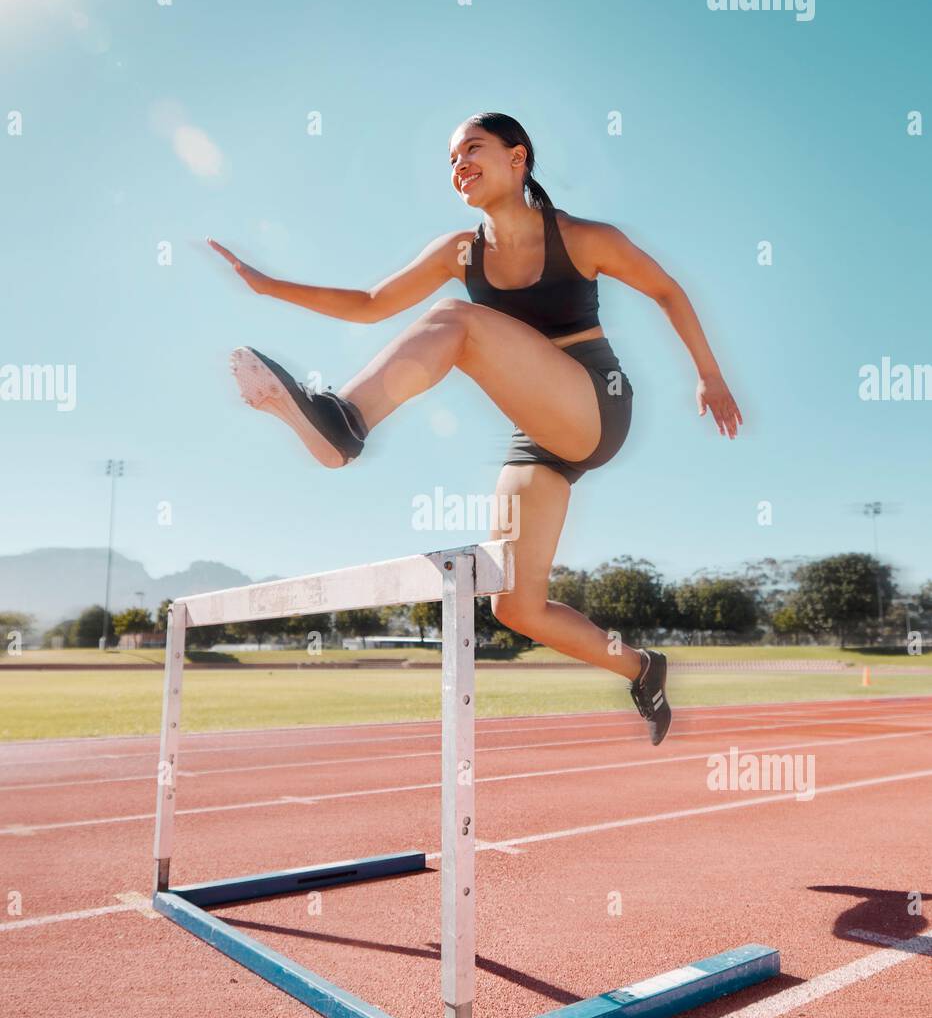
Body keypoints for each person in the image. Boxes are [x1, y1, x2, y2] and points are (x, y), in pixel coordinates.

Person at [208, 112, 742, 744]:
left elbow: (669, 291)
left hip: (594, 403)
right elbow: (371, 304)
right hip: (541, 435)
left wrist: (710, 376)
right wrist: (269, 287)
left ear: (519, 159)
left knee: (456, 320)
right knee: (514, 604)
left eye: (473, 149)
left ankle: (344, 420)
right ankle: (641, 667)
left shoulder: (582, 237)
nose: (458, 163)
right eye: (451, 158)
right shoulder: (460, 252)